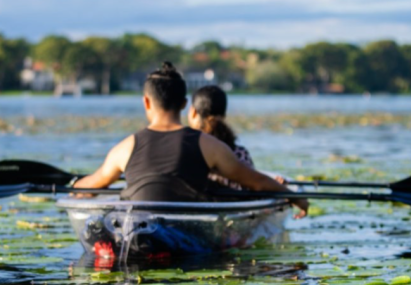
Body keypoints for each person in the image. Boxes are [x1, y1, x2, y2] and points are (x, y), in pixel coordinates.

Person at [73, 62, 308, 217]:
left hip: (134, 232)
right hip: (188, 232)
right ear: (185, 104)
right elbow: (255, 181)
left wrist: (75, 186)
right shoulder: (209, 145)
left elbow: (95, 183)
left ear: (146, 102)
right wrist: (297, 198)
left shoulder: (124, 148)